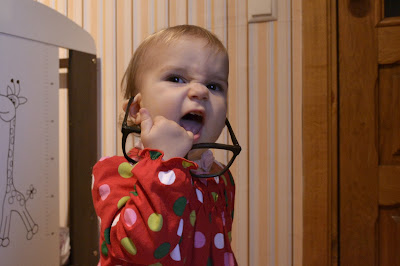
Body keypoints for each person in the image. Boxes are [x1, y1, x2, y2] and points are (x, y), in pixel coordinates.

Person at [91, 25, 239, 266]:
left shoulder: (220, 177)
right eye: (176, 78)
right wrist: (164, 164)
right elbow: (140, 248)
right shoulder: (114, 173)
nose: (200, 91)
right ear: (137, 109)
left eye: (214, 86)